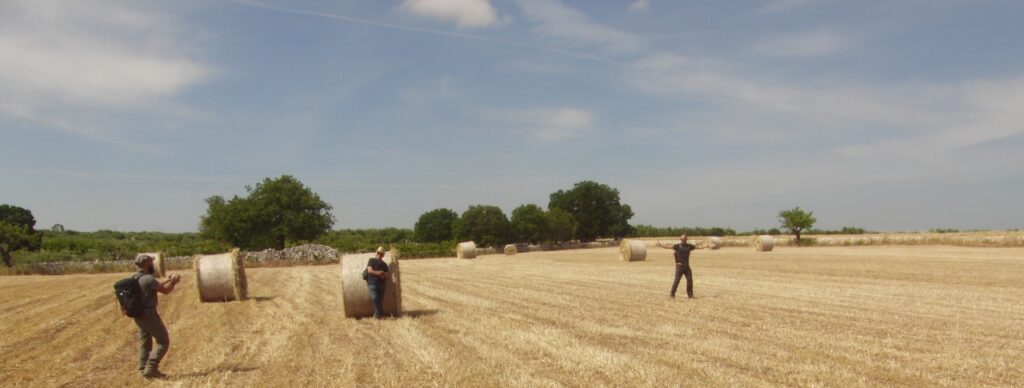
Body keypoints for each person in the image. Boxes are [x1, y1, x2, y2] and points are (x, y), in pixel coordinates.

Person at [131, 254, 182, 378]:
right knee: (163, 341)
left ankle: (143, 369)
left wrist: (168, 279)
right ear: (146, 263)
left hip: (138, 315)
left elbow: (155, 286)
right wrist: (174, 282)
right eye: (150, 262)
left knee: (144, 342)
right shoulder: (148, 278)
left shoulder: (135, 277)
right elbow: (165, 291)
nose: (153, 264)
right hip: (149, 314)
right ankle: (151, 368)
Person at [656, 235, 706, 299]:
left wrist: (706, 246)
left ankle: (690, 295)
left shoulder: (689, 246)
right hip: (679, 266)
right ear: (681, 239)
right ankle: (672, 294)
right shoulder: (678, 246)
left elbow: (698, 247)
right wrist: (661, 245)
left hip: (686, 266)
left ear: (686, 240)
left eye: (684, 239)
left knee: (689, 280)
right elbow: (668, 246)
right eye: (682, 239)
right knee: (677, 281)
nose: (683, 240)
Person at [365, 246, 391, 319]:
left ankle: (377, 317)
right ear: (376, 253)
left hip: (381, 285)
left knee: (379, 301)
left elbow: (387, 274)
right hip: (372, 284)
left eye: (381, 253)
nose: (379, 254)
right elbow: (369, 270)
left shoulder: (384, 264)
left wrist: (384, 276)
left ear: (383, 255)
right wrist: (379, 273)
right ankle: (381, 311)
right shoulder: (371, 260)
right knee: (375, 298)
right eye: (378, 253)